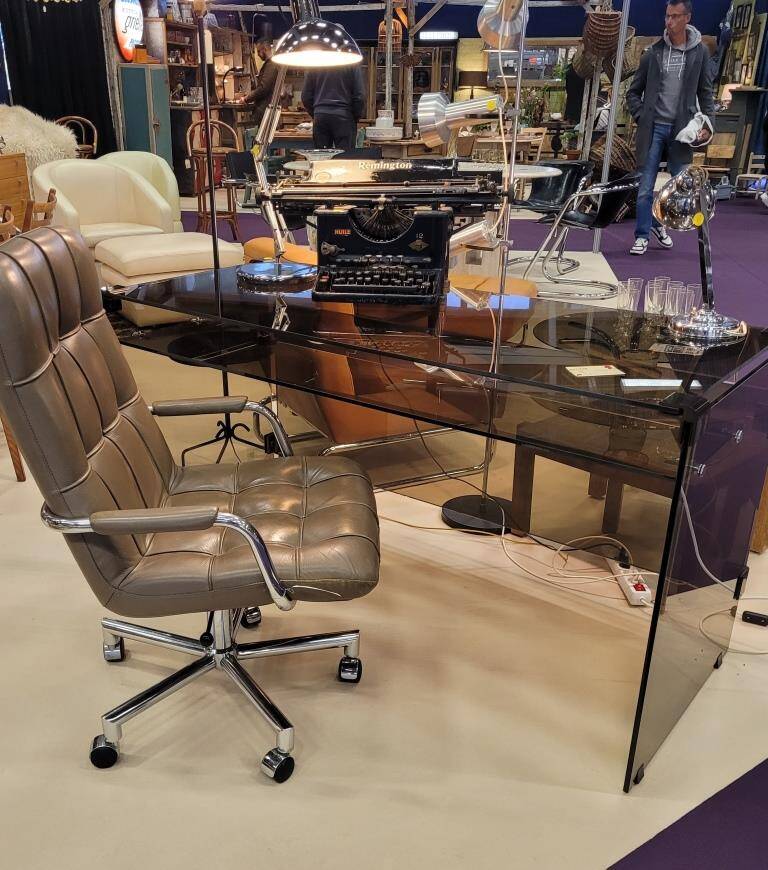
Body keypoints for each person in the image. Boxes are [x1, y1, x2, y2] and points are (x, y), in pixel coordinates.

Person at [626, 0, 715, 255]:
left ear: (687, 17)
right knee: (645, 185)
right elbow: (633, 93)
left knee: (680, 186)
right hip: (653, 128)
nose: (669, 21)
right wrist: (643, 116)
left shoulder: (699, 54)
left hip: (681, 131)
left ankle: (658, 223)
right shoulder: (653, 53)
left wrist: (708, 124)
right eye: (667, 16)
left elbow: (706, 93)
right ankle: (642, 233)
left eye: (675, 16)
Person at [301, 65, 366, 151]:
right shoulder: (351, 61)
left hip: (321, 115)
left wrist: (316, 113)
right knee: (344, 158)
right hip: (344, 115)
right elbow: (359, 96)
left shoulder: (315, 62)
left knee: (322, 158)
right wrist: (355, 116)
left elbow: (306, 96)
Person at [237, 40, 278, 124]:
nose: (258, 54)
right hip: (267, 109)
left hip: (266, 110)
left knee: (262, 136)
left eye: (259, 51)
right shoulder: (270, 64)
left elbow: (263, 88)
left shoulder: (271, 65)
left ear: (266, 48)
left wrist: (246, 98)